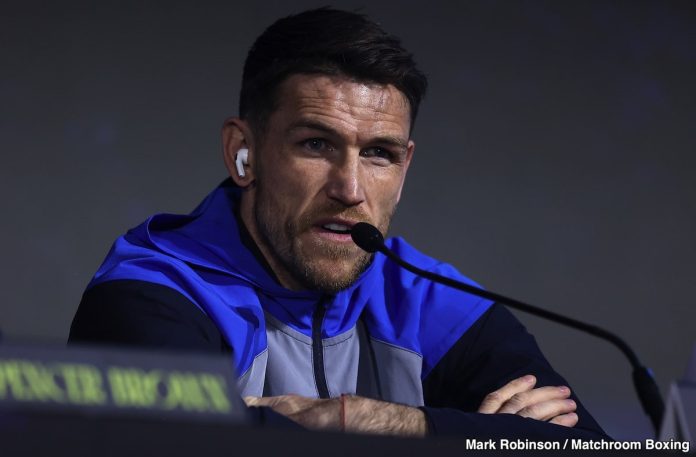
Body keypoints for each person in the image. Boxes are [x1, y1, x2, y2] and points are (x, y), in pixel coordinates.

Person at [70, 8, 610, 440]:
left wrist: (369, 421)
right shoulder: (152, 295)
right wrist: (480, 438)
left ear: (404, 169)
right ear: (243, 152)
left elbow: (586, 446)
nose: (350, 189)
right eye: (316, 144)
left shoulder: (429, 301)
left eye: (378, 154)